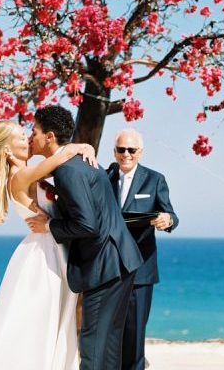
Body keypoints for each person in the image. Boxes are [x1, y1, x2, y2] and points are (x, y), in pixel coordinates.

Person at [0, 120, 97, 370]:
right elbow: (65, 154)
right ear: (6, 149)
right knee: (42, 319)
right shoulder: (21, 175)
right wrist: (84, 147)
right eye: (20, 136)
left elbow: (62, 160)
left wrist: (84, 148)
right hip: (43, 254)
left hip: (51, 247)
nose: (26, 139)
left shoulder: (29, 172)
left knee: (48, 318)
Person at [26, 105, 143, 370]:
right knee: (108, 347)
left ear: (50, 136)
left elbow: (86, 224)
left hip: (106, 265)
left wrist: (50, 226)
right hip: (120, 260)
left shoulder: (68, 170)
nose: (30, 136)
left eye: (34, 131)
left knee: (91, 347)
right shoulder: (77, 162)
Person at [107, 128, 179, 370]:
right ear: (114, 151)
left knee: (135, 337)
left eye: (131, 150)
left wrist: (167, 220)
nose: (126, 154)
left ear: (141, 152)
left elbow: (171, 214)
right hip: (108, 269)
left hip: (140, 270)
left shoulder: (155, 179)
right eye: (121, 149)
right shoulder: (103, 177)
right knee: (108, 335)